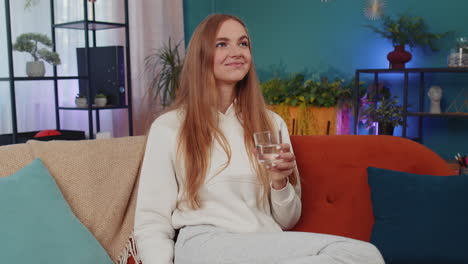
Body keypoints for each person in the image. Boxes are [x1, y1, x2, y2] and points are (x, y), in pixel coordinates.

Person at [134, 13, 385, 264]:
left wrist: (279, 182)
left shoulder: (270, 123)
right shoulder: (170, 127)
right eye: (222, 44)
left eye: (243, 43)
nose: (237, 51)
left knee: (364, 255)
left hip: (262, 242)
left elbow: (287, 220)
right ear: (201, 55)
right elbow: (152, 219)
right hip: (205, 244)